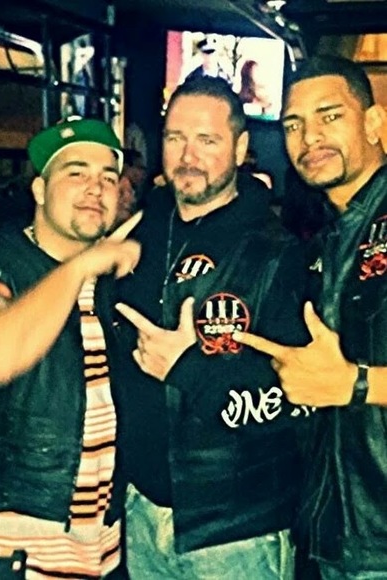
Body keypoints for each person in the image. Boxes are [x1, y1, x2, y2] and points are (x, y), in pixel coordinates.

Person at [114, 77, 311, 579]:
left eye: (207, 140)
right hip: (140, 511)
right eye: (176, 138)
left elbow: (301, 398)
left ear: (241, 149)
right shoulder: (140, 229)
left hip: (235, 529)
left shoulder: (276, 253)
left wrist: (187, 368)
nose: (188, 156)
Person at [0, 117, 140, 579]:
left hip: (98, 543)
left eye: (108, 177)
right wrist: (78, 268)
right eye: (76, 172)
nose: (95, 188)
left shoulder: (112, 280)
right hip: (12, 546)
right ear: (39, 190)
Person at [233, 55, 387, 579]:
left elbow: (342, 383)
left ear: (374, 122)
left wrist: (357, 384)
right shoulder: (327, 242)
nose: (310, 137)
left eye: (330, 116)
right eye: (293, 124)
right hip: (336, 534)